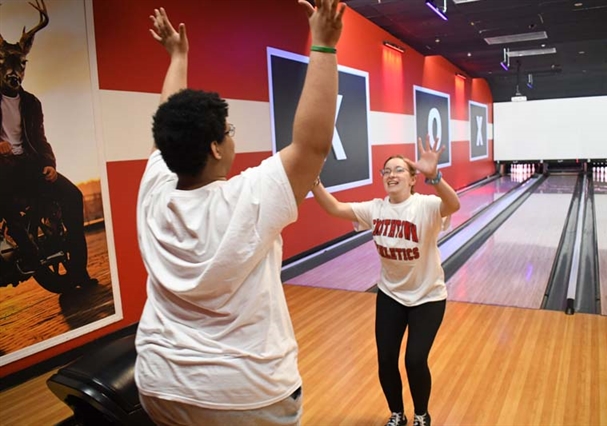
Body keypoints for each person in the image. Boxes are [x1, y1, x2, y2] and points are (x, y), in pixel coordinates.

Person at [134, 2, 345, 425]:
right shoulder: (246, 199)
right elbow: (313, 146)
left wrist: (178, 57)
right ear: (214, 147)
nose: (232, 138)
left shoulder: (154, 191)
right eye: (228, 131)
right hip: (243, 398)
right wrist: (323, 46)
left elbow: (169, 128)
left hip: (160, 385)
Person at [311, 138, 461, 426]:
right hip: (391, 295)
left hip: (428, 297)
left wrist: (436, 178)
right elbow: (335, 208)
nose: (391, 175)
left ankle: (421, 415)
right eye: (386, 171)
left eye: (399, 170)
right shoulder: (375, 208)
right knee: (386, 360)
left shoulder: (426, 205)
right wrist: (314, 181)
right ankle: (397, 413)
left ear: (413, 179)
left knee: (415, 360)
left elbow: (453, 203)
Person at [0, 16, 96, 286]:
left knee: (73, 196)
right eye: (6, 64)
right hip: (3, 171)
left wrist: (50, 163)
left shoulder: (31, 103)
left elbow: (40, 139)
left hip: (29, 166)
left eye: (20, 65)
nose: (14, 71)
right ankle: (28, 254)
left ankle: (79, 272)